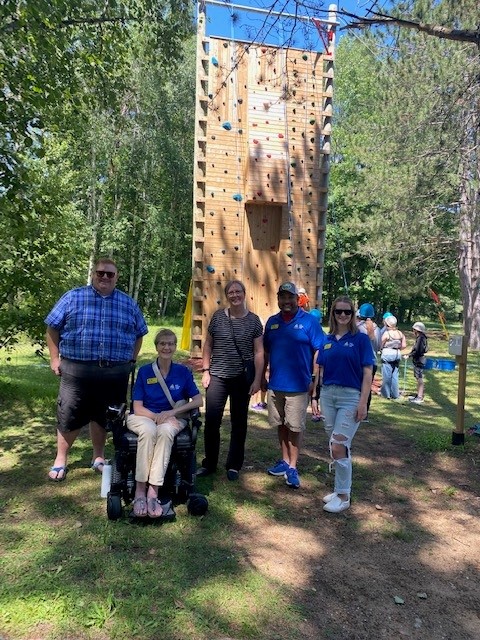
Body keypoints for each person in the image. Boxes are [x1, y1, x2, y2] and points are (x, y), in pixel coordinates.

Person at [45, 258, 148, 481]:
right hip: (76, 371)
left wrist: (132, 358)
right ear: (93, 274)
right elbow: (52, 328)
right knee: (69, 415)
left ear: (116, 277)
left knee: (104, 416)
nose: (105, 277)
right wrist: (55, 359)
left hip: (114, 373)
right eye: (101, 273)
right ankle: (60, 459)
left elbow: (140, 333)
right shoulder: (73, 297)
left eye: (110, 274)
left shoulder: (128, 303)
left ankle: (98, 457)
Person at [127, 329, 203, 517]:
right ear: (156, 347)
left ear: (175, 347)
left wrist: (172, 413)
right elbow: (137, 408)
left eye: (170, 343)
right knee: (149, 430)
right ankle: (139, 490)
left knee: (166, 431)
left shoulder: (183, 372)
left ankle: (153, 491)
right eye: (162, 343)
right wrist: (156, 417)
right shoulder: (145, 371)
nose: (166, 347)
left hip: (173, 417)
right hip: (144, 416)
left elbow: (198, 401)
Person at [312, 295, 374, 513]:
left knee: (339, 444)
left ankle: (344, 496)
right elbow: (319, 371)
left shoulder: (361, 340)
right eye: (338, 311)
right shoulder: (327, 340)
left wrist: (363, 402)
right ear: (333, 313)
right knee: (335, 445)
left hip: (350, 396)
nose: (343, 315)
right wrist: (314, 397)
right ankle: (339, 489)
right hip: (328, 395)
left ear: (353, 314)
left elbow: (368, 372)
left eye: (347, 312)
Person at [198, 280, 263, 481]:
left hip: (241, 378)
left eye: (238, 291)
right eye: (231, 292)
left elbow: (259, 351)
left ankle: (234, 464)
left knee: (239, 422)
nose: (235, 295)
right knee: (211, 421)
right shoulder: (218, 317)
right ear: (227, 296)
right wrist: (206, 370)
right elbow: (208, 345)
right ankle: (210, 463)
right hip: (217, 375)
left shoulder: (254, 321)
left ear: (244, 294)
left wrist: (258, 380)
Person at [264, 282, 324, 489]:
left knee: (295, 427)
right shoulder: (272, 323)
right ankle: (283, 460)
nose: (287, 301)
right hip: (276, 384)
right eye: (283, 297)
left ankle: (293, 466)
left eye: (291, 297)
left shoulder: (309, 322)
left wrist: (314, 377)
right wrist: (264, 375)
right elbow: (265, 351)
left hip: (299, 385)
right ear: (278, 299)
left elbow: (319, 350)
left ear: (297, 300)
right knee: (280, 424)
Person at [356, 303, 381, 420]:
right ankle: (365, 413)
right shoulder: (378, 329)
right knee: (367, 388)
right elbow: (379, 346)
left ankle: (355, 410)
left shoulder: (357, 328)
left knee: (356, 387)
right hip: (373, 362)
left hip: (359, 362)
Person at [380, 316, 406, 399]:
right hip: (397, 354)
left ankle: (386, 394)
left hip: (387, 354)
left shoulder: (387, 333)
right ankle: (395, 394)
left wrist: (381, 349)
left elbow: (381, 344)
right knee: (395, 376)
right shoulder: (400, 333)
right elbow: (404, 345)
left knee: (387, 375)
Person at [404, 321, 428, 404]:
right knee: (418, 377)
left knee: (419, 378)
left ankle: (420, 397)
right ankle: (418, 395)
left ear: (416, 330)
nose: (413, 331)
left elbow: (417, 350)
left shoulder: (421, 338)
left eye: (413, 329)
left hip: (419, 360)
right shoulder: (421, 337)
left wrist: (409, 355)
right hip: (419, 359)